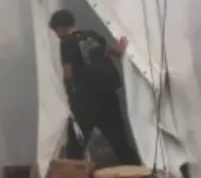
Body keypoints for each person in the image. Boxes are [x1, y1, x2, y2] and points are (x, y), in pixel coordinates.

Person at [49, 9, 143, 166]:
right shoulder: (93, 35)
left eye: (56, 31)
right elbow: (114, 51)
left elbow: (68, 72)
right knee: (119, 141)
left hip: (86, 99)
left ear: (59, 28)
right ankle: (138, 172)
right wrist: (120, 47)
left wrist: (68, 96)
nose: (57, 35)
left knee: (76, 145)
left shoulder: (67, 42)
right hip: (108, 95)